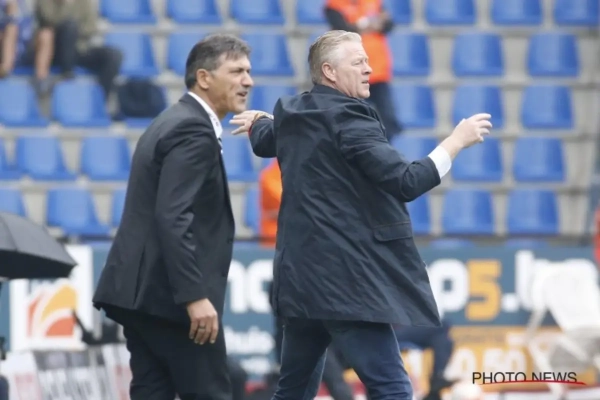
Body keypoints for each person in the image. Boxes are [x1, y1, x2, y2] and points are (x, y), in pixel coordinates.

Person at [230, 30, 492, 400]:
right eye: (358, 62)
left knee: (293, 391)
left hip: (301, 281)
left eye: (368, 60)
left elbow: (264, 141)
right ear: (329, 72)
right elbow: (407, 181)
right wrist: (456, 141)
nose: (370, 69)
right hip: (346, 282)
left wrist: (259, 121)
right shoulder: (351, 117)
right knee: (392, 388)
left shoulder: (292, 111)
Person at [92, 34, 254, 400]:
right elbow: (173, 215)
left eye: (248, 71)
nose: (248, 80)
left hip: (142, 297)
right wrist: (193, 296)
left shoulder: (170, 120)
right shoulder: (192, 129)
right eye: (237, 71)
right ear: (204, 77)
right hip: (170, 300)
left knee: (152, 391)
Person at [324, 0, 402, 140]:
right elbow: (342, 30)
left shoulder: (374, 2)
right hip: (351, 74)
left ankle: (381, 150)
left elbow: (388, 24)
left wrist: (360, 26)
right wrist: (367, 24)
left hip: (378, 71)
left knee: (388, 121)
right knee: (351, 120)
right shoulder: (335, 5)